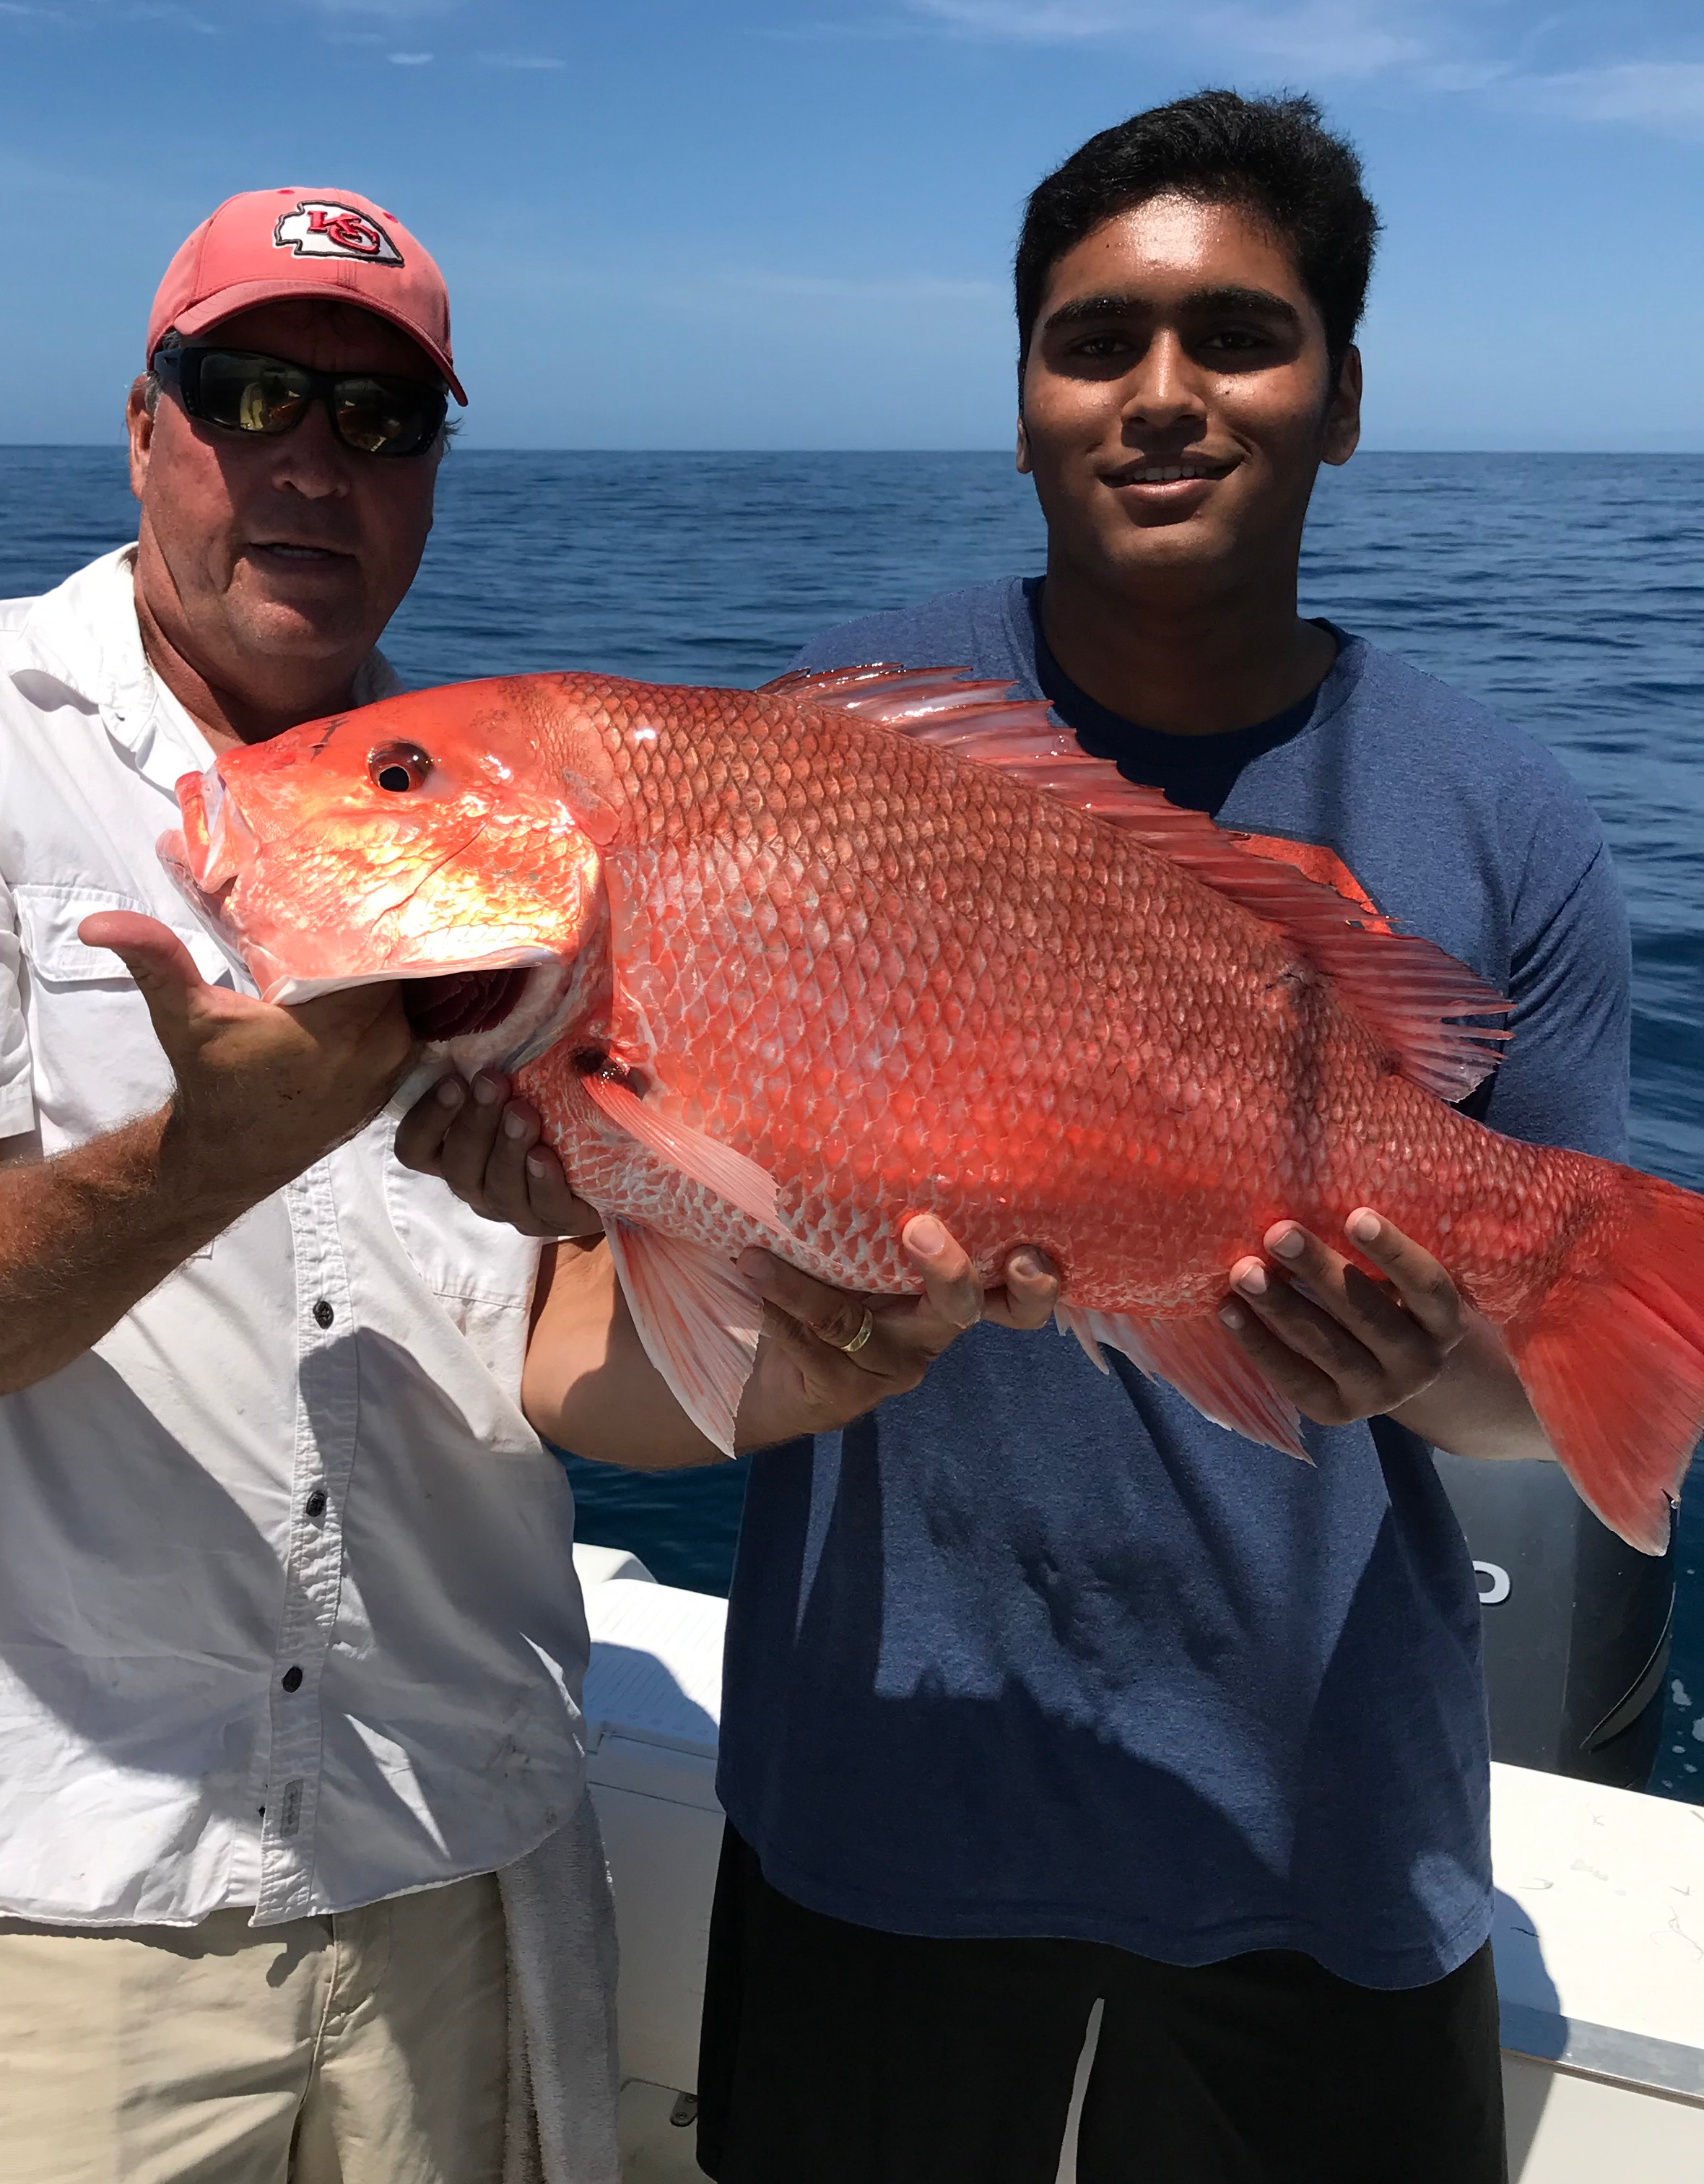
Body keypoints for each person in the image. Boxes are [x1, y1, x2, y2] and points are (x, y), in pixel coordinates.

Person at [0, 183, 984, 2184]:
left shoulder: (484, 816)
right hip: (54, 1944)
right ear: (148, 426)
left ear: (435, 475)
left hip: (464, 1884)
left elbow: (562, 1365)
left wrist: (840, 1358)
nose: (313, 461)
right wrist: (203, 1161)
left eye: (383, 419)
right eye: (253, 392)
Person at [669, 92, 1630, 2183]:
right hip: (880, 1822)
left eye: (1238, 338)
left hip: (1323, 1844)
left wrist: (1427, 1357)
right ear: (1021, 401)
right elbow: (687, 1243)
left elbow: (1527, 1405)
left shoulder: (1502, 817)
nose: (1164, 395)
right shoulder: (838, 746)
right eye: (1096, 341)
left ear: (1344, 399)